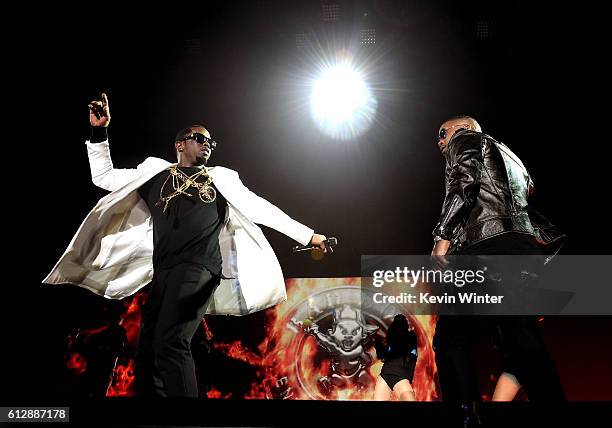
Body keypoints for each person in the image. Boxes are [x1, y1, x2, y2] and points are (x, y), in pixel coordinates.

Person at [43, 93, 328, 397]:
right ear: (180, 144)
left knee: (172, 342)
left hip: (199, 266)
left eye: (210, 142)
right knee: (148, 350)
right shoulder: (154, 174)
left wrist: (307, 235)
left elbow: (259, 207)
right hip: (163, 271)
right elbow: (104, 177)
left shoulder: (220, 178)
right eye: (199, 138)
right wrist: (100, 132)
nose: (207, 144)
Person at [430, 115, 565, 402]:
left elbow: (463, 183)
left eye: (443, 133)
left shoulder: (464, 139)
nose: (440, 141)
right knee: (521, 339)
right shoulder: (514, 159)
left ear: (464, 128)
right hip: (523, 250)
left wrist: (442, 236)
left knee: (449, 340)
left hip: (488, 247)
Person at [373, 314, 418, 401]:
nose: (399, 327)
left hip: (400, 375)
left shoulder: (410, 337)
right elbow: (382, 356)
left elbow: (400, 352)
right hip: (386, 374)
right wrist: (378, 342)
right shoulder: (391, 339)